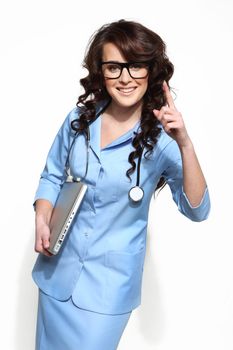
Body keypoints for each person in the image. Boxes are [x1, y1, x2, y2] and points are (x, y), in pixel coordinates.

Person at [32, 19, 211, 350]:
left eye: (135, 66)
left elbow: (197, 210)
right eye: (114, 67)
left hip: (107, 288)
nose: (125, 78)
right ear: (101, 72)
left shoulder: (163, 139)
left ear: (150, 71)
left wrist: (185, 143)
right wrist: (43, 216)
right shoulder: (80, 118)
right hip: (57, 273)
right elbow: (52, 175)